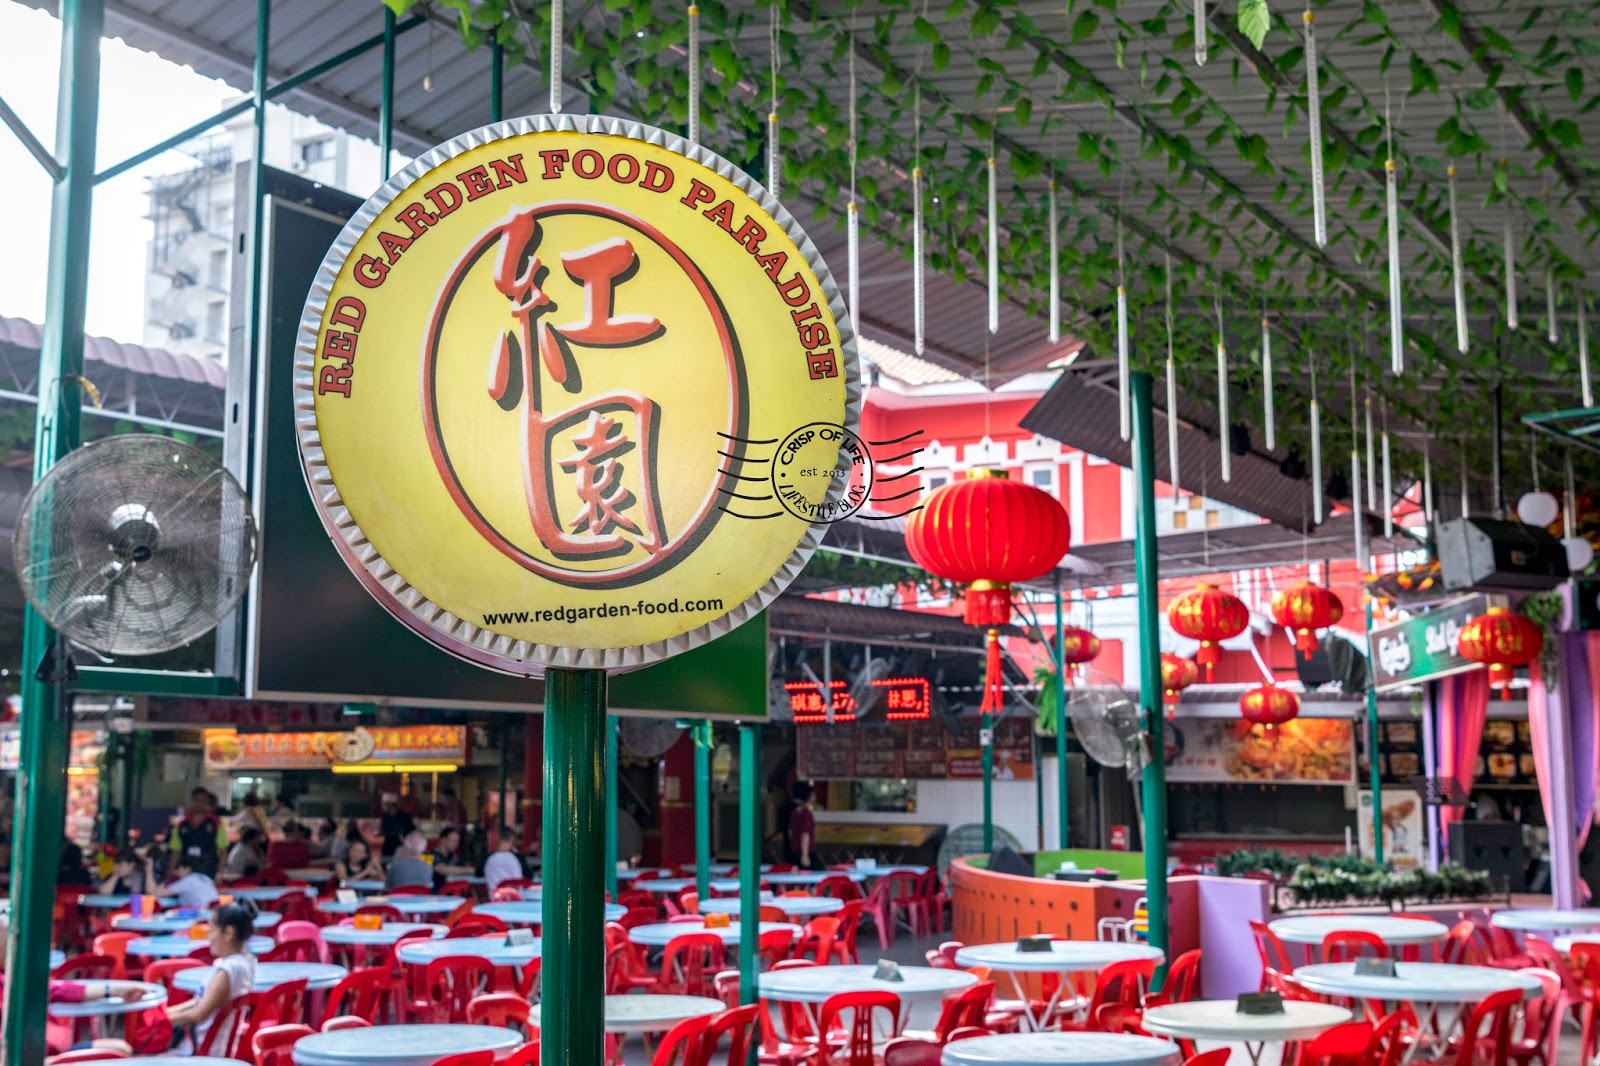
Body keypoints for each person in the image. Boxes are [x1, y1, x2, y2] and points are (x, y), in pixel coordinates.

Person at [0, 920, 143, 1057]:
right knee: (116, 1052)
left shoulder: (14, 979)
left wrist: (117, 990)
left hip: (48, 1051)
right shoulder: (12, 981)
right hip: (35, 1055)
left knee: (120, 1049)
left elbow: (62, 989)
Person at [166, 901, 258, 1053]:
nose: (209, 937)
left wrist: (163, 1019)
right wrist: (165, 1013)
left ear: (228, 933)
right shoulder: (247, 961)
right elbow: (201, 1002)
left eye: (212, 930)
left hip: (204, 1050)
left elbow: (199, 1013)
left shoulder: (227, 970)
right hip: (218, 1045)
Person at [169, 798, 223, 878]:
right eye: (197, 800)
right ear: (192, 802)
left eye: (203, 800)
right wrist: (170, 872)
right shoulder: (181, 824)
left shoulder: (216, 822)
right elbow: (176, 852)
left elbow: (222, 851)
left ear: (207, 803)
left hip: (208, 872)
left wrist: (220, 873)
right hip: (186, 871)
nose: (199, 803)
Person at [147, 852, 219, 910]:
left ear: (187, 869)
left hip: (200, 913)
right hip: (213, 911)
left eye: (179, 868)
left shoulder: (187, 881)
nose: (176, 871)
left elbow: (155, 893)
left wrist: (169, 878)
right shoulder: (205, 878)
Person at [787, 781, 821, 870]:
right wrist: (805, 855)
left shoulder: (794, 812)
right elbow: (805, 834)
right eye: (813, 794)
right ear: (807, 796)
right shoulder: (806, 814)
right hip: (807, 852)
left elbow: (790, 832)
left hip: (795, 851)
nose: (815, 796)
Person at [379, 793, 416, 858]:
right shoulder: (384, 816)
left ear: (390, 805)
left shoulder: (405, 816)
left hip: (402, 846)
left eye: (384, 804)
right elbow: (383, 830)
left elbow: (411, 830)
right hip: (388, 846)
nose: (383, 806)